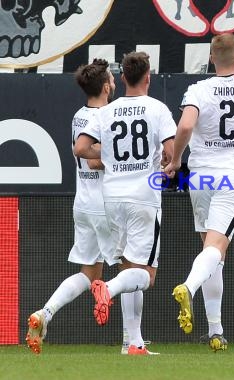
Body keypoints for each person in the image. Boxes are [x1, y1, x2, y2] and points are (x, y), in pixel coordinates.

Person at [163, 33, 234, 352]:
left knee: (213, 252)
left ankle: (215, 331)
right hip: (232, 176)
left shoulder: (198, 89)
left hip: (200, 176)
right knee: (216, 248)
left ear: (212, 59)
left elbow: (185, 128)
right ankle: (188, 285)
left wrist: (175, 160)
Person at [74, 51, 177, 355]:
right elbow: (171, 150)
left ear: (122, 78)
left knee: (127, 266)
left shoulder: (107, 111)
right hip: (143, 197)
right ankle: (109, 289)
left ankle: (133, 343)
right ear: (148, 77)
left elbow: (80, 148)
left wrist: (110, 157)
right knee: (145, 275)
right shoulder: (157, 109)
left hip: (111, 199)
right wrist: (167, 163)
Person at [25, 59, 117, 354]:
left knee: (89, 274)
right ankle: (134, 341)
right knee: (133, 268)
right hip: (105, 202)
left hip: (84, 202)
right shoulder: (106, 116)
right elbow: (93, 159)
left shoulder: (79, 115)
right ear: (105, 87)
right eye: (112, 80)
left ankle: (45, 313)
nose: (115, 83)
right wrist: (126, 157)